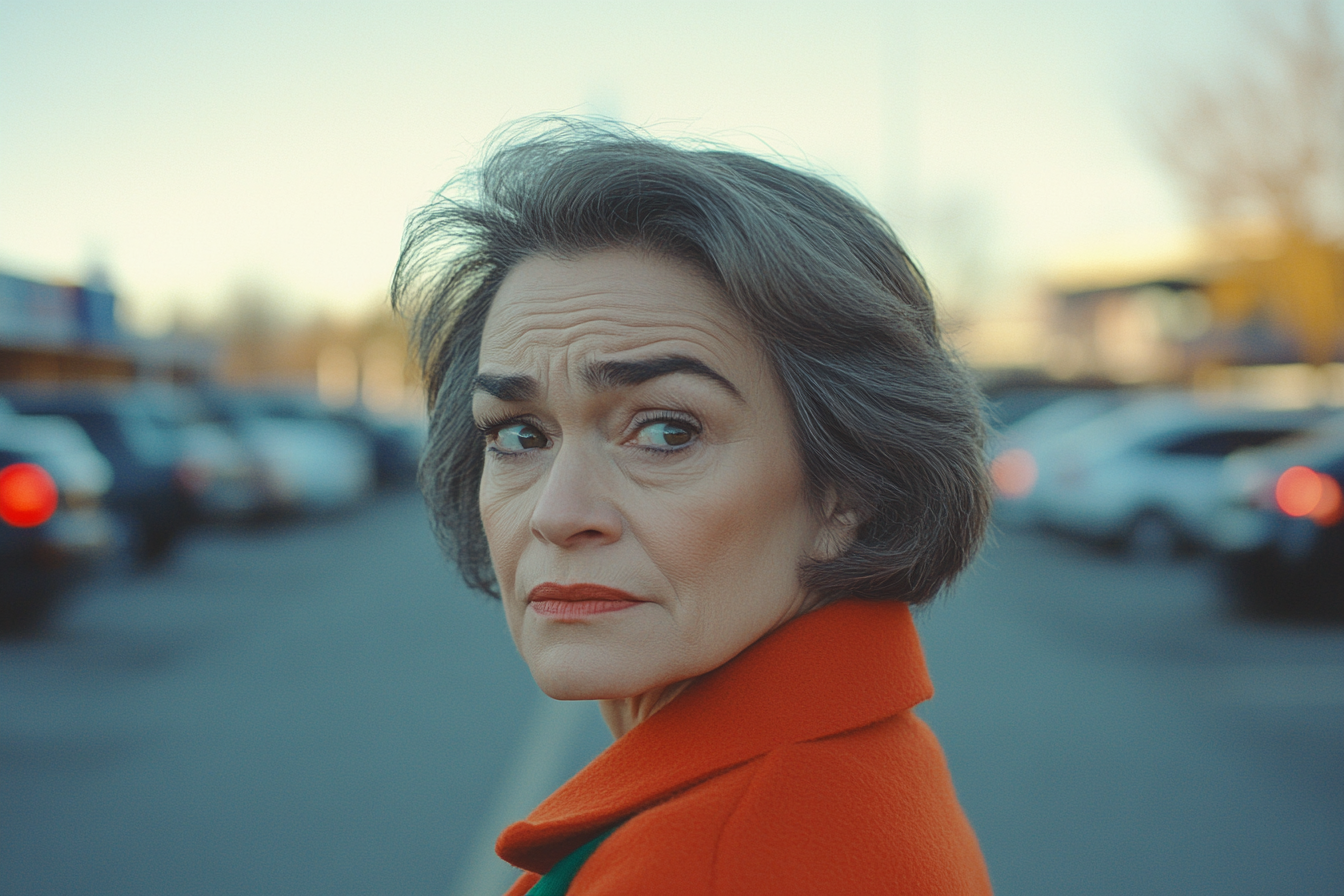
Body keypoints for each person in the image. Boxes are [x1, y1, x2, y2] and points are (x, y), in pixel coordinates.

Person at [392, 118, 994, 896]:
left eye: (666, 431)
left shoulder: (708, 861)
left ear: (849, 490)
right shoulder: (853, 769)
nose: (556, 512)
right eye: (518, 434)